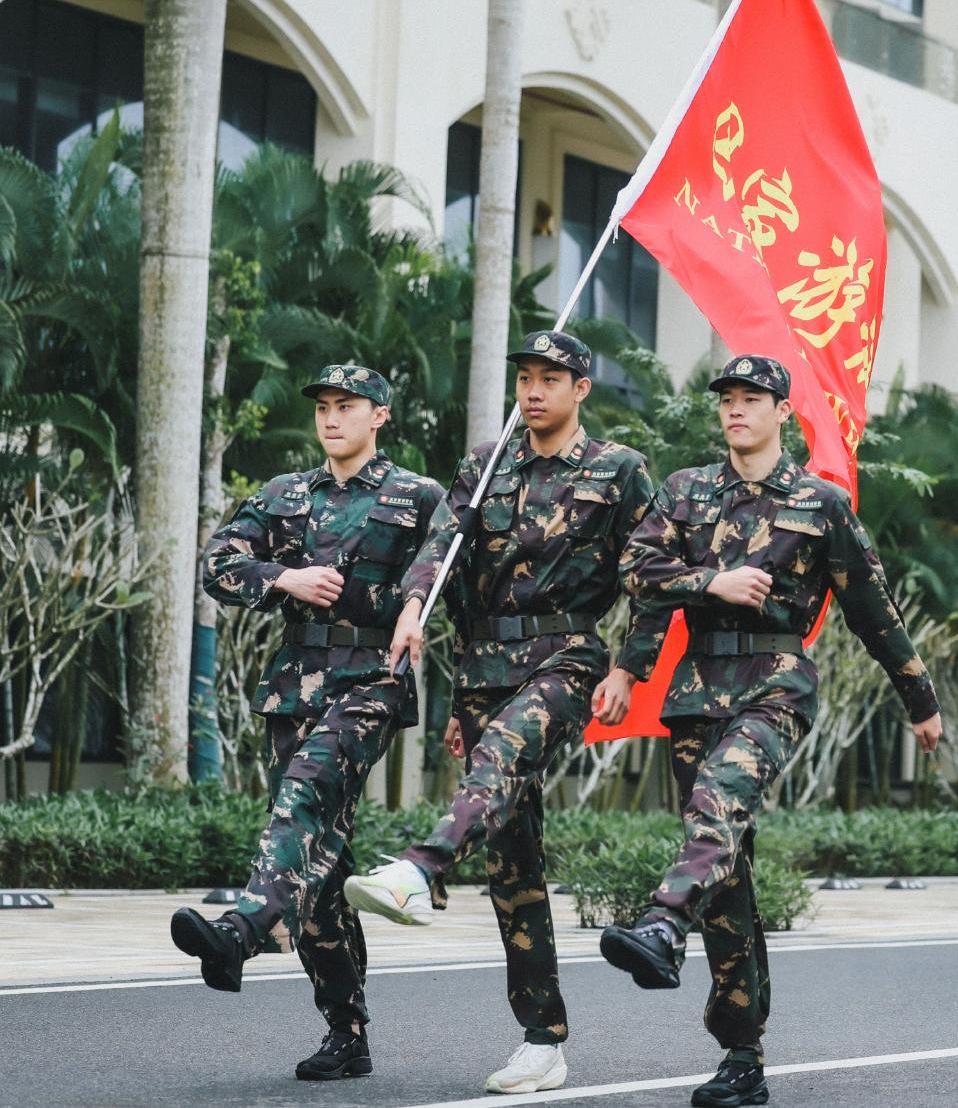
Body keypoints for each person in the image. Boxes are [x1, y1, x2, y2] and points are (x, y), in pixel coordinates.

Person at [597, 354, 944, 1108]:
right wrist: (661, 634)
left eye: (752, 398)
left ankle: (661, 920)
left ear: (783, 411)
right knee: (724, 875)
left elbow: (873, 610)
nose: (736, 410)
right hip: (694, 694)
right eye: (727, 398)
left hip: (775, 685)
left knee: (714, 804)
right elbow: (637, 572)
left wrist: (920, 699)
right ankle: (742, 1054)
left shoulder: (820, 503)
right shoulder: (686, 491)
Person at [344, 330, 658, 1096]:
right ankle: (542, 1038)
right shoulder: (483, 467)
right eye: (526, 376)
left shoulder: (617, 471)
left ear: (582, 387)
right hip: (484, 667)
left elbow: (652, 571)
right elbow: (444, 554)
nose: (534, 390)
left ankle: (422, 867)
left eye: (552, 377)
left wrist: (628, 666)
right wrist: (416, 610)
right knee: (514, 861)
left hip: (566, 656)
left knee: (506, 754)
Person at [173, 364, 450, 1082]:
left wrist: (417, 616)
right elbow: (218, 563)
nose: (331, 417)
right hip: (296, 687)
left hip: (372, 684)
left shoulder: (417, 495)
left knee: (304, 792)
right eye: (323, 406)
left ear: (380, 413)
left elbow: (447, 563)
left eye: (347, 405)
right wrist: (282, 579)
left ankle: (242, 928)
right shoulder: (283, 494)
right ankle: (346, 1029)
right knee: (318, 859)